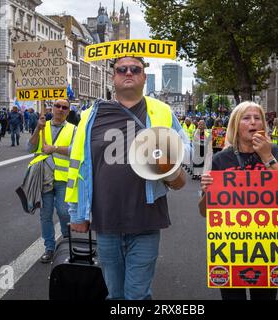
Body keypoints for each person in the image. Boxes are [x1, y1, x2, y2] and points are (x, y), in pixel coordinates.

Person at [65, 56, 191, 300]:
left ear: (144, 76)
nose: (128, 73)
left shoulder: (161, 111)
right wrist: (77, 214)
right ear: (112, 77)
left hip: (146, 218)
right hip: (106, 221)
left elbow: (188, 149)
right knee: (115, 294)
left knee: (137, 295)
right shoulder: (91, 116)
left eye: (136, 69)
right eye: (122, 69)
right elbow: (77, 168)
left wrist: (169, 155)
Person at [198, 101, 278, 300]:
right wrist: (208, 191)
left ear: (263, 124)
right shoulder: (221, 159)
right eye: (246, 118)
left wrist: (267, 156)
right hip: (230, 249)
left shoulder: (276, 153)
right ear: (236, 125)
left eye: (257, 118)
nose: (253, 122)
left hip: (267, 247)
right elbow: (204, 211)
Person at [28, 99, 76, 263]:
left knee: (63, 211)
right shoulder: (43, 125)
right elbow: (31, 148)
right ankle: (49, 248)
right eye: (57, 106)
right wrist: (37, 129)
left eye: (64, 107)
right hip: (44, 178)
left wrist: (54, 148)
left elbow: (75, 151)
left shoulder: (73, 129)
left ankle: (66, 240)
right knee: (45, 215)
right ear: (52, 108)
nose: (60, 109)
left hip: (63, 179)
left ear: (68, 111)